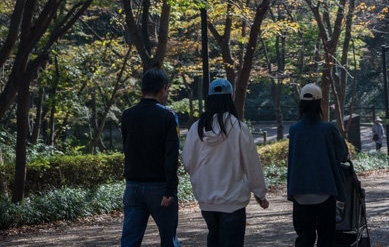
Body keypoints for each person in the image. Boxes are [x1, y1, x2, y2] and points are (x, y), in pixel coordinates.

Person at [182, 78, 269, 247]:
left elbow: (187, 163)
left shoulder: (196, 128)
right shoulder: (237, 127)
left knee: (214, 239)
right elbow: (251, 164)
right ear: (230, 97)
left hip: (207, 201)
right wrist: (260, 193)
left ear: (209, 99)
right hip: (233, 201)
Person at [121, 66, 180, 247]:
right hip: (160, 186)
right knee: (168, 239)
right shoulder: (168, 116)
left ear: (142, 89)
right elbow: (171, 154)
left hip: (132, 186)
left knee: (130, 240)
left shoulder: (127, 115)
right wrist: (171, 189)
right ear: (162, 89)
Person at [287, 83, 348, 247]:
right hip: (324, 190)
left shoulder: (294, 130)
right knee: (326, 238)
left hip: (299, 191)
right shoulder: (328, 129)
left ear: (301, 104)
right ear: (320, 103)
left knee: (304, 238)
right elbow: (343, 154)